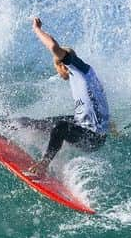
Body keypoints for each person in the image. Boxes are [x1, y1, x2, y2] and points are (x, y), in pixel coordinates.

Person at [13, 17, 110, 175]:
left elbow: (53, 47)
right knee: (47, 122)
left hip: (92, 139)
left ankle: (44, 164)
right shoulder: (88, 76)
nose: (58, 74)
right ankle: (4, 125)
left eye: (56, 68)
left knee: (61, 127)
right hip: (88, 129)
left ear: (62, 64)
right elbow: (99, 105)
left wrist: (37, 29)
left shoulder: (77, 68)